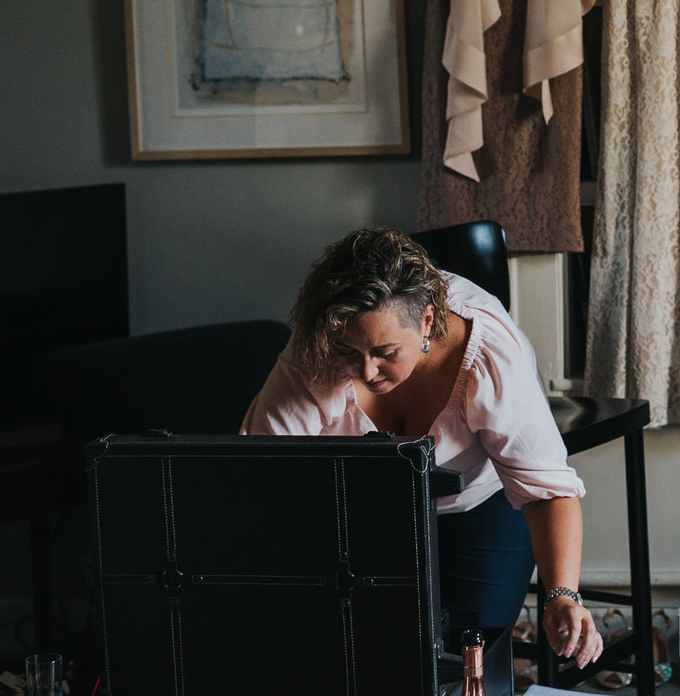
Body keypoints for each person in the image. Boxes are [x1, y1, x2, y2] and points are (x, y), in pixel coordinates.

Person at [243, 226, 605, 670]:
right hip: (361, 507)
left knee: (466, 658)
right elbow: (262, 474)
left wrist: (563, 595)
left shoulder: (489, 351)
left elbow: (546, 489)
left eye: (385, 350)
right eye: (348, 351)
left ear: (427, 322)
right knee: (369, 652)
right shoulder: (314, 351)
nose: (367, 371)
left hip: (479, 502)